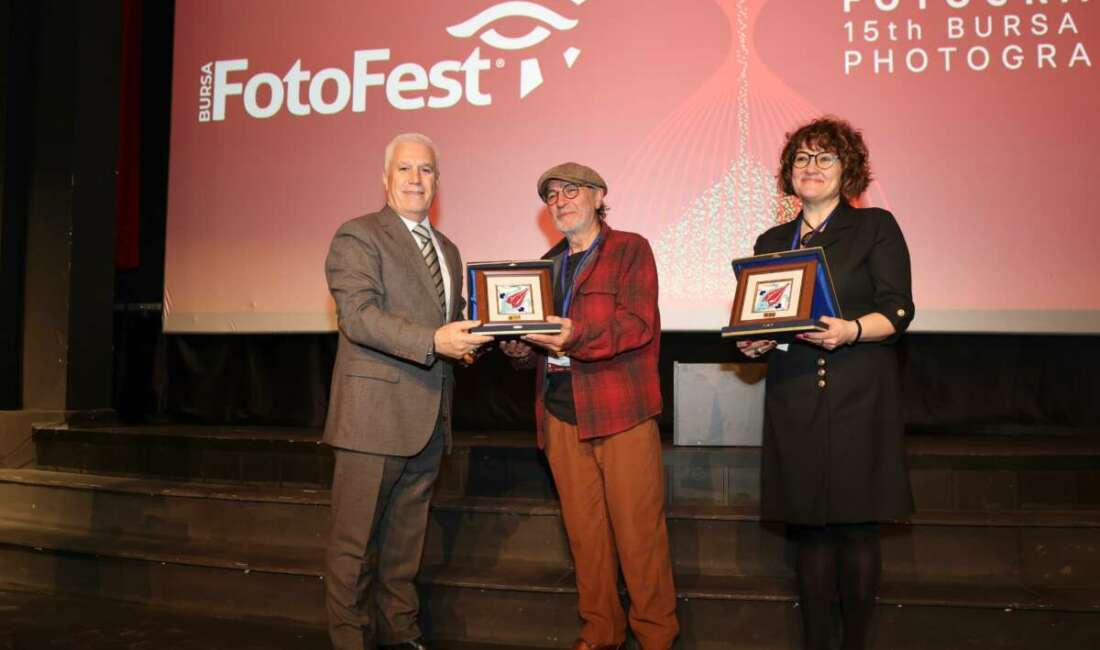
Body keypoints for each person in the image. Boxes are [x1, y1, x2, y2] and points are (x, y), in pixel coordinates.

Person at [737, 117, 915, 650]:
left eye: (825, 158)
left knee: (856, 528)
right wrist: (752, 341)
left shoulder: (875, 226)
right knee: (809, 528)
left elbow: (899, 311)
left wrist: (853, 331)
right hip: (794, 395)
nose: (811, 168)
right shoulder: (771, 240)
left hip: (858, 393)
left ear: (848, 170)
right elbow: (761, 317)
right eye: (802, 159)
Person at [323, 133, 491, 650]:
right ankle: (351, 641)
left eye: (426, 170)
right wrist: (434, 340)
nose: (416, 179)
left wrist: (469, 342)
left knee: (404, 545)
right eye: (405, 170)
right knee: (354, 548)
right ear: (386, 179)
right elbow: (359, 316)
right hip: (373, 418)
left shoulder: (450, 249)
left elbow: (446, 323)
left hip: (430, 419)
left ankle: (400, 633)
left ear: (437, 181)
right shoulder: (358, 236)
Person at [500, 163, 679, 650]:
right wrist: (515, 343)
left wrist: (574, 334)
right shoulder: (544, 265)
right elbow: (534, 346)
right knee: (586, 539)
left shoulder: (631, 249)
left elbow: (637, 325)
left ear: (599, 196)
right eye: (551, 195)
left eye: (571, 191)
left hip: (620, 412)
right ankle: (601, 634)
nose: (559, 201)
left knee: (639, 537)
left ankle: (657, 637)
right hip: (559, 414)